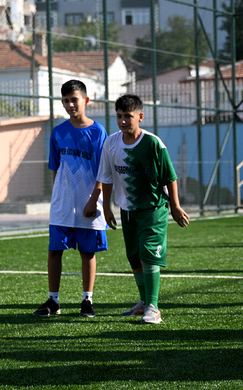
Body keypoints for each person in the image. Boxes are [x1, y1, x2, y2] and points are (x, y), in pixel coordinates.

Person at [97, 94, 189, 324]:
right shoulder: (110, 143)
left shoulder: (153, 143)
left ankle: (153, 307)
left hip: (153, 209)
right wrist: (107, 208)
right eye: (119, 116)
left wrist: (175, 206)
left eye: (128, 116)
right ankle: (142, 302)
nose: (122, 121)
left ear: (140, 116)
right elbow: (106, 177)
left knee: (149, 254)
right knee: (135, 257)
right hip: (126, 210)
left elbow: (170, 176)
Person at [32, 80, 108, 318]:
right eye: (65, 100)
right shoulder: (58, 132)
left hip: (89, 203)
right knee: (55, 250)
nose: (70, 104)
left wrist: (93, 199)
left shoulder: (98, 132)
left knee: (88, 253)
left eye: (74, 99)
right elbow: (55, 168)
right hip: (63, 205)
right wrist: (58, 198)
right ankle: (53, 301)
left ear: (86, 100)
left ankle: (87, 300)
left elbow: (103, 171)